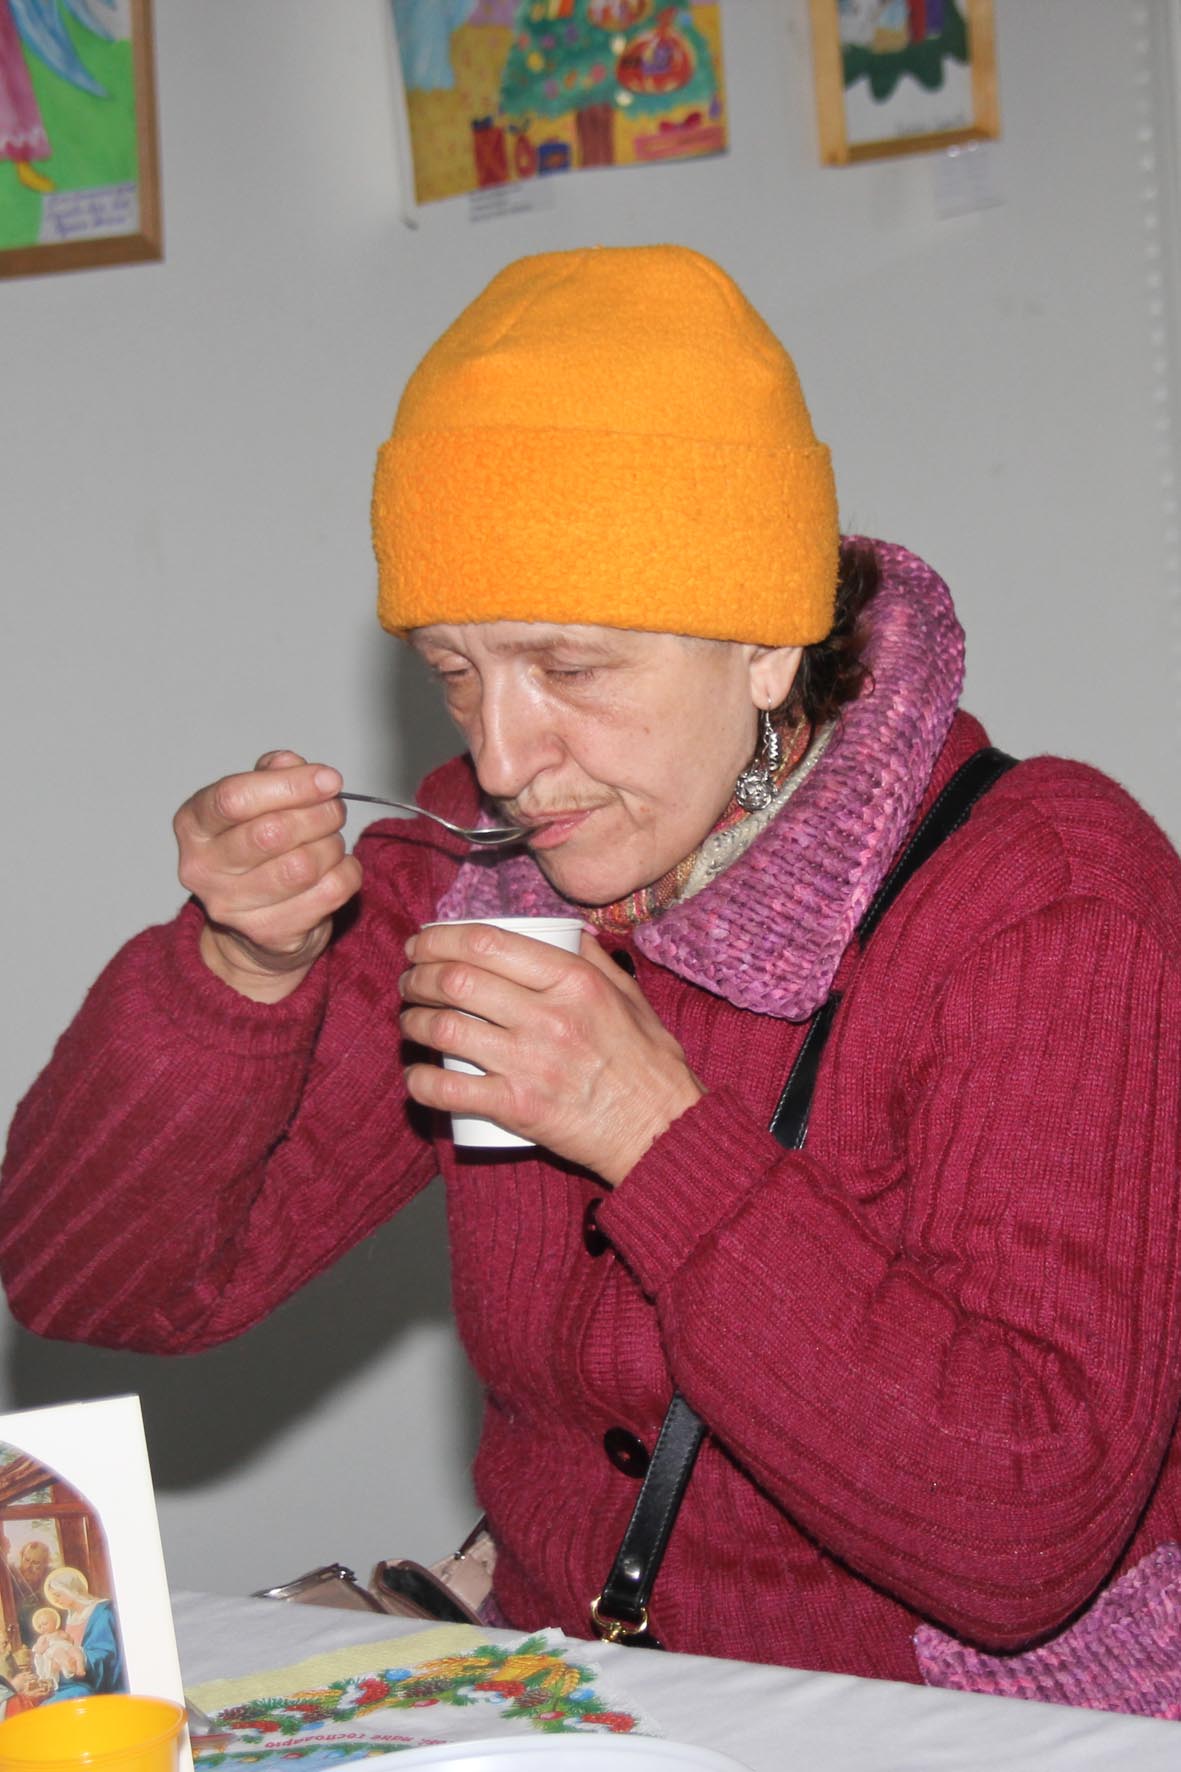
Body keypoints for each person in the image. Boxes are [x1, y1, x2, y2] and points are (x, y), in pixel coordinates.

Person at [3, 245, 1181, 1712]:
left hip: (968, 1724)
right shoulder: (482, 874)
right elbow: (99, 1286)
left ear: (764, 644)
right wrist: (235, 976)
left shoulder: (1046, 894)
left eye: (567, 667)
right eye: (453, 671)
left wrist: (652, 1135)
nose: (501, 757)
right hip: (589, 1699)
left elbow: (1025, 1534)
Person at [38, 1568, 125, 1702]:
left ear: (70, 1590)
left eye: (58, 1595)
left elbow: (107, 1654)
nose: (56, 1600)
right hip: (75, 1682)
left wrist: (80, 1659)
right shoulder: (71, 1617)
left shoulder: (102, 1612)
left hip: (98, 1684)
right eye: (53, 1596)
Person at [28, 1607, 85, 1690]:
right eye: (39, 1626)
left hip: (67, 1647)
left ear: (54, 1622)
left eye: (45, 1624)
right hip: (54, 1651)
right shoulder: (43, 1637)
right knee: (60, 1653)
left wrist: (69, 1641)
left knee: (76, 1651)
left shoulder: (60, 1633)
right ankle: (69, 1667)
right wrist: (43, 1648)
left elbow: (70, 1640)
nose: (42, 1627)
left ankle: (80, 1667)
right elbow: (38, 1650)